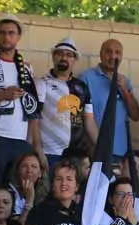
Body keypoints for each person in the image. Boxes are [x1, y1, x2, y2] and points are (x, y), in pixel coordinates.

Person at [0, 16, 42, 186]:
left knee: (19, 191)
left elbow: (32, 107)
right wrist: (1, 96)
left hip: (22, 140)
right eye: (2, 33)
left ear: (18, 36)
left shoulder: (26, 68)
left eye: (11, 33)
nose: (6, 37)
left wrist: (35, 145)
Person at [35, 39, 96, 167]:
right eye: (60, 54)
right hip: (50, 153)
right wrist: (38, 150)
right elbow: (34, 118)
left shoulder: (82, 87)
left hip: (76, 155)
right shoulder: (42, 83)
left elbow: (89, 121)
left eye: (69, 55)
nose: (64, 57)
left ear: (74, 60)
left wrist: (102, 147)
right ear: (53, 57)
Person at [79, 39, 139, 161]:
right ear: (101, 54)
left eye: (117, 52)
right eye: (108, 52)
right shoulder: (86, 78)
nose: (113, 56)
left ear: (122, 56)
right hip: (95, 151)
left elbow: (136, 116)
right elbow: (80, 118)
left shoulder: (125, 81)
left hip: (121, 153)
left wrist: (125, 91)